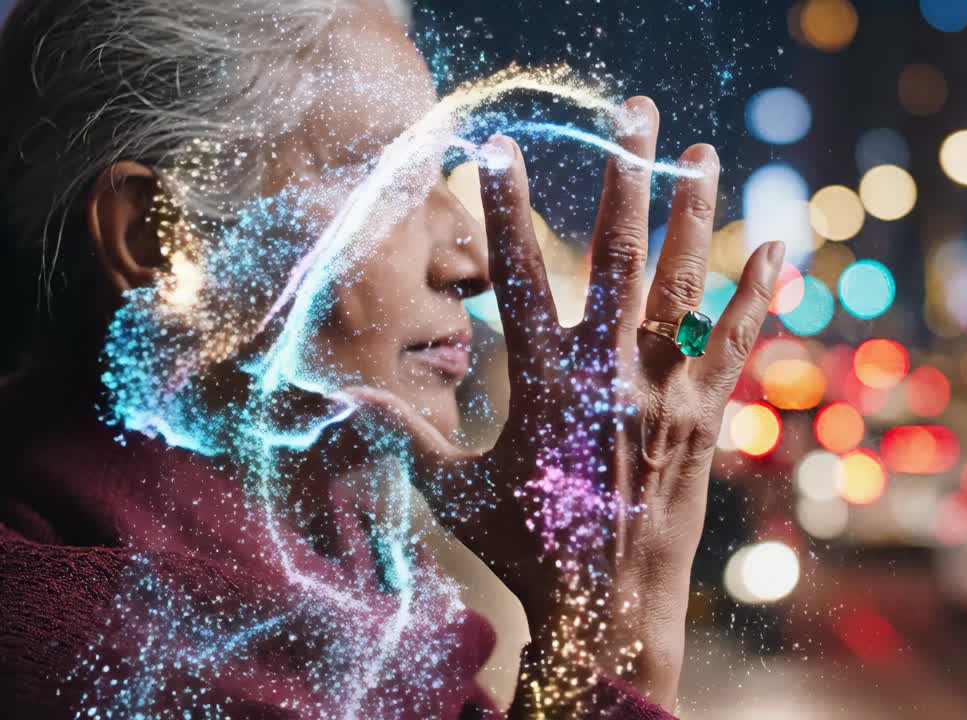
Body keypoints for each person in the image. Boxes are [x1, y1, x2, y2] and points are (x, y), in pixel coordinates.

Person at [0, 0, 784, 718]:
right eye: (387, 178)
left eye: (438, 173)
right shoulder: (81, 668)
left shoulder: (356, 593)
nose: (472, 261)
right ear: (158, 239)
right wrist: (608, 630)